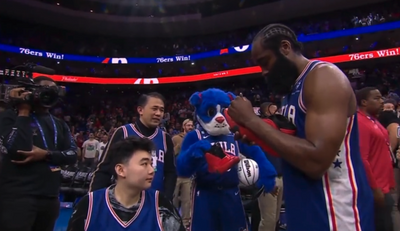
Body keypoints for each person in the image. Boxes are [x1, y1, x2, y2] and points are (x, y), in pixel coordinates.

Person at [227, 23, 374, 231]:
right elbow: (296, 150)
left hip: (336, 213)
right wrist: (260, 136)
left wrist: (253, 121)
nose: (264, 72)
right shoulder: (290, 91)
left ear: (285, 47)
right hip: (306, 208)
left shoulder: (324, 77)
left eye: (265, 62)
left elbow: (316, 161)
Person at [0, 76, 77, 231]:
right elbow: (16, 150)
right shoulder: (10, 116)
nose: (48, 95)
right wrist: (23, 111)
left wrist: (46, 155)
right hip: (18, 197)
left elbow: (73, 154)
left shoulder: (60, 124)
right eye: (45, 90)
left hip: (50, 197)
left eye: (53, 91)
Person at [67, 137, 185, 231]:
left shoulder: (160, 203)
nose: (151, 170)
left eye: (151, 164)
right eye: (144, 164)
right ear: (121, 170)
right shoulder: (90, 204)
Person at [90, 92, 177, 200]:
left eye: (162, 110)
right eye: (154, 109)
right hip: (124, 203)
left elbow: (170, 173)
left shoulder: (165, 138)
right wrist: (93, 202)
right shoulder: (123, 132)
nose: (158, 113)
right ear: (140, 110)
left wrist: (166, 200)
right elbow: (104, 170)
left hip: (154, 203)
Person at [356, 87, 396, 231]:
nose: (381, 101)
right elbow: (362, 158)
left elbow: (382, 152)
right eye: (377, 98)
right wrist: (375, 189)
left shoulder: (372, 119)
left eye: (381, 98)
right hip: (374, 188)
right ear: (364, 102)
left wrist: (390, 181)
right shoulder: (360, 122)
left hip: (384, 185)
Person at [172, 119, 194, 228]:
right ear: (183, 126)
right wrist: (180, 146)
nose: (190, 127)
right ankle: (173, 222)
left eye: (191, 125)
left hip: (187, 174)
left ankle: (185, 224)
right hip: (175, 174)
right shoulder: (176, 138)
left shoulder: (194, 140)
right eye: (188, 125)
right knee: (174, 200)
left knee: (187, 201)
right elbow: (171, 154)